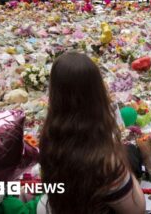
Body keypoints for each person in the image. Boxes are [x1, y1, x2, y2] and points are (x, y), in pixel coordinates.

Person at [39, 51, 145, 214]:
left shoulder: (48, 138)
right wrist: (124, 166)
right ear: (97, 93)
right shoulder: (104, 159)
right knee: (131, 155)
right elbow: (137, 209)